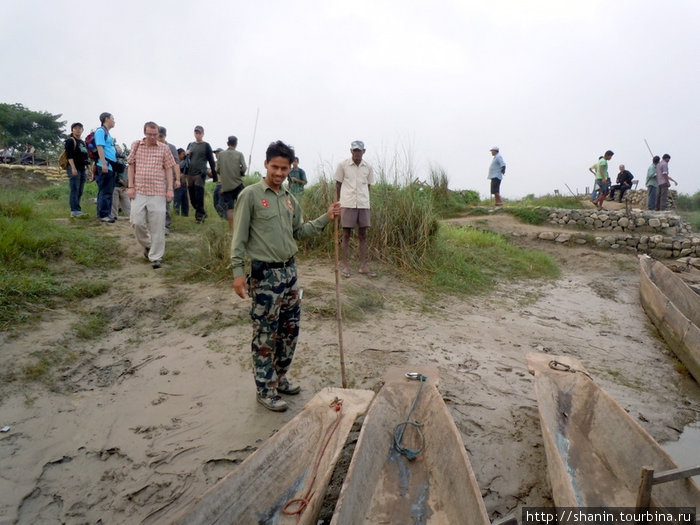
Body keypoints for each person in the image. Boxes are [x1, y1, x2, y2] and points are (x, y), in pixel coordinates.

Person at [231, 140, 340, 412]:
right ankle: (264, 390)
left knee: (289, 331)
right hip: (265, 277)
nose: (279, 173)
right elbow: (239, 238)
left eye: (285, 168)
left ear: (291, 169)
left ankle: (280, 379)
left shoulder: (290, 199)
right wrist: (237, 273)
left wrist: (326, 217)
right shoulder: (251, 195)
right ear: (266, 165)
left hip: (290, 273)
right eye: (275, 167)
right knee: (266, 335)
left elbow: (300, 232)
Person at [127, 122, 176, 269]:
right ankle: (148, 245)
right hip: (139, 190)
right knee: (137, 221)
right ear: (145, 133)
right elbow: (131, 166)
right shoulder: (136, 145)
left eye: (155, 134)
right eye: (150, 134)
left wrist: (170, 189)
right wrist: (130, 186)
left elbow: (169, 169)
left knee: (157, 225)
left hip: (158, 191)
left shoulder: (164, 148)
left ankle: (156, 257)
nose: (153, 137)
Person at [334, 140, 376, 278]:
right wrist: (339, 202)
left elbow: (368, 186)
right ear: (351, 151)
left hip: (363, 204)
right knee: (346, 235)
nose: (357, 153)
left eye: (359, 151)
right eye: (354, 151)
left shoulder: (368, 167)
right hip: (347, 203)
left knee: (363, 235)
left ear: (364, 151)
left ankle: (363, 266)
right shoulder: (343, 165)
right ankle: (345, 266)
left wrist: (366, 201)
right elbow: (338, 185)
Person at [185, 125, 217, 223]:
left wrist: (214, 176)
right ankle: (202, 212)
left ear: (202, 134)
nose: (197, 135)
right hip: (190, 173)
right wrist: (186, 154)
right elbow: (186, 159)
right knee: (192, 198)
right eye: (196, 133)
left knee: (199, 196)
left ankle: (200, 217)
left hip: (199, 174)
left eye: (199, 133)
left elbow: (211, 161)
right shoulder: (191, 145)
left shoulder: (206, 145)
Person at [217, 136, 247, 231]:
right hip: (238, 185)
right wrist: (240, 173)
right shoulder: (239, 154)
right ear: (236, 144)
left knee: (230, 208)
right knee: (242, 206)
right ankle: (242, 228)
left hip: (226, 186)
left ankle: (231, 229)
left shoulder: (221, 155)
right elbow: (244, 168)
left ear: (227, 143)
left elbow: (217, 169)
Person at [157, 126, 181, 233]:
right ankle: (156, 224)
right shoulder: (153, 146)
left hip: (167, 177)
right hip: (155, 177)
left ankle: (166, 225)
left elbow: (176, 164)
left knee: (165, 201)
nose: (159, 138)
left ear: (165, 136)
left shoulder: (171, 147)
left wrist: (177, 179)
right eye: (158, 136)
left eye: (161, 136)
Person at [95, 112, 117, 222]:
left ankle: (106, 213)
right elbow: (99, 147)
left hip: (110, 166)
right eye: (113, 118)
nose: (114, 121)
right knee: (105, 190)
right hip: (104, 165)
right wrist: (103, 163)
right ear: (106, 119)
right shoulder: (100, 131)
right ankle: (103, 214)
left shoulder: (107, 133)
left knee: (108, 190)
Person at [64, 123, 89, 218]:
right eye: (75, 128)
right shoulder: (70, 141)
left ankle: (77, 209)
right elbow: (69, 155)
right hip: (73, 168)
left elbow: (85, 157)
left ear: (82, 130)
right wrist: (73, 168)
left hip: (82, 168)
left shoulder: (82, 142)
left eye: (80, 128)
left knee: (80, 190)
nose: (78, 130)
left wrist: (89, 169)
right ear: (72, 130)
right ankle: (74, 210)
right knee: (74, 188)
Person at [111, 144, 130, 220]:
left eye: (119, 148)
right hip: (115, 186)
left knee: (128, 206)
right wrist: (123, 183)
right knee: (114, 206)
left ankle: (131, 217)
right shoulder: (113, 160)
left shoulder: (122, 162)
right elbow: (115, 175)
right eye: (117, 148)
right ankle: (113, 219)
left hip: (123, 187)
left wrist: (126, 184)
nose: (119, 149)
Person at [173, 148, 190, 216]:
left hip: (184, 184)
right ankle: (176, 215)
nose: (184, 155)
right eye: (183, 154)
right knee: (177, 202)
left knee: (185, 203)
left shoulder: (185, 163)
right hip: (177, 185)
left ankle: (185, 216)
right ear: (179, 154)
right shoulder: (175, 163)